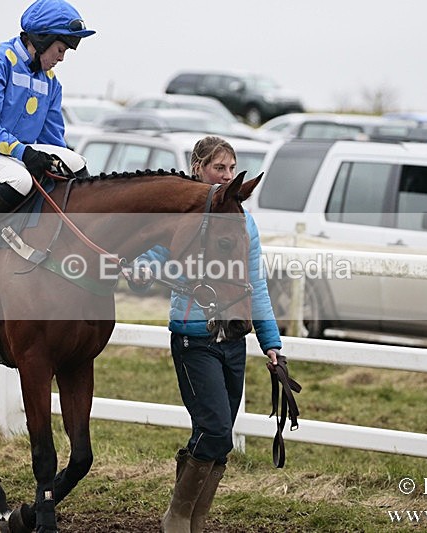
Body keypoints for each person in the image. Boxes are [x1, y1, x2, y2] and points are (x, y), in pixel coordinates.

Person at [132, 136, 283, 532]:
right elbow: (153, 254)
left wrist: (272, 343)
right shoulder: (183, 213)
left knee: (218, 435)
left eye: (233, 168)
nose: (228, 176)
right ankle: (177, 516)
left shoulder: (243, 221)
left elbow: (256, 284)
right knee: (215, 429)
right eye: (220, 168)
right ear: (198, 168)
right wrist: (143, 269)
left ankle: (195, 519)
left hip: (233, 338)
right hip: (193, 338)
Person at [0, 0, 95, 276]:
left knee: (75, 161)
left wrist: (59, 164)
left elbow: (53, 139)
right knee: (19, 180)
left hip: (12, 158)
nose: (61, 58)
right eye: (60, 50)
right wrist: (23, 153)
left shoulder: (50, 81)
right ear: (41, 38)